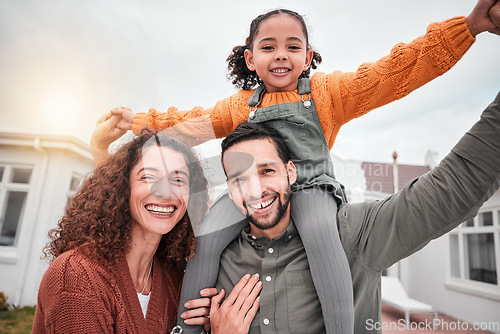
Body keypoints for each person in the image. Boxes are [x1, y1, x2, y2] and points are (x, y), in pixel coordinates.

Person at [91, 2, 500, 332]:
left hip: (312, 191)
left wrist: (467, 27)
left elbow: (392, 74)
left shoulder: (326, 93)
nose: (281, 55)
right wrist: (139, 121)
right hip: (251, 191)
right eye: (268, 47)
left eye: (292, 46)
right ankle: (187, 329)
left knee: (323, 235)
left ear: (307, 56)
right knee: (208, 237)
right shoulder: (240, 106)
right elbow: (188, 124)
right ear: (251, 59)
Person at [182, 91, 500, 334]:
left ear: (291, 172)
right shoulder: (215, 257)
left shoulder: (351, 233)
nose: (254, 190)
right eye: (240, 179)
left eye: (267, 171)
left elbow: (452, 188)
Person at [32, 132, 212, 333]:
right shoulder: (76, 275)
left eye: (178, 180)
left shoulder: (175, 280)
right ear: (122, 187)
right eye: (148, 177)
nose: (165, 192)